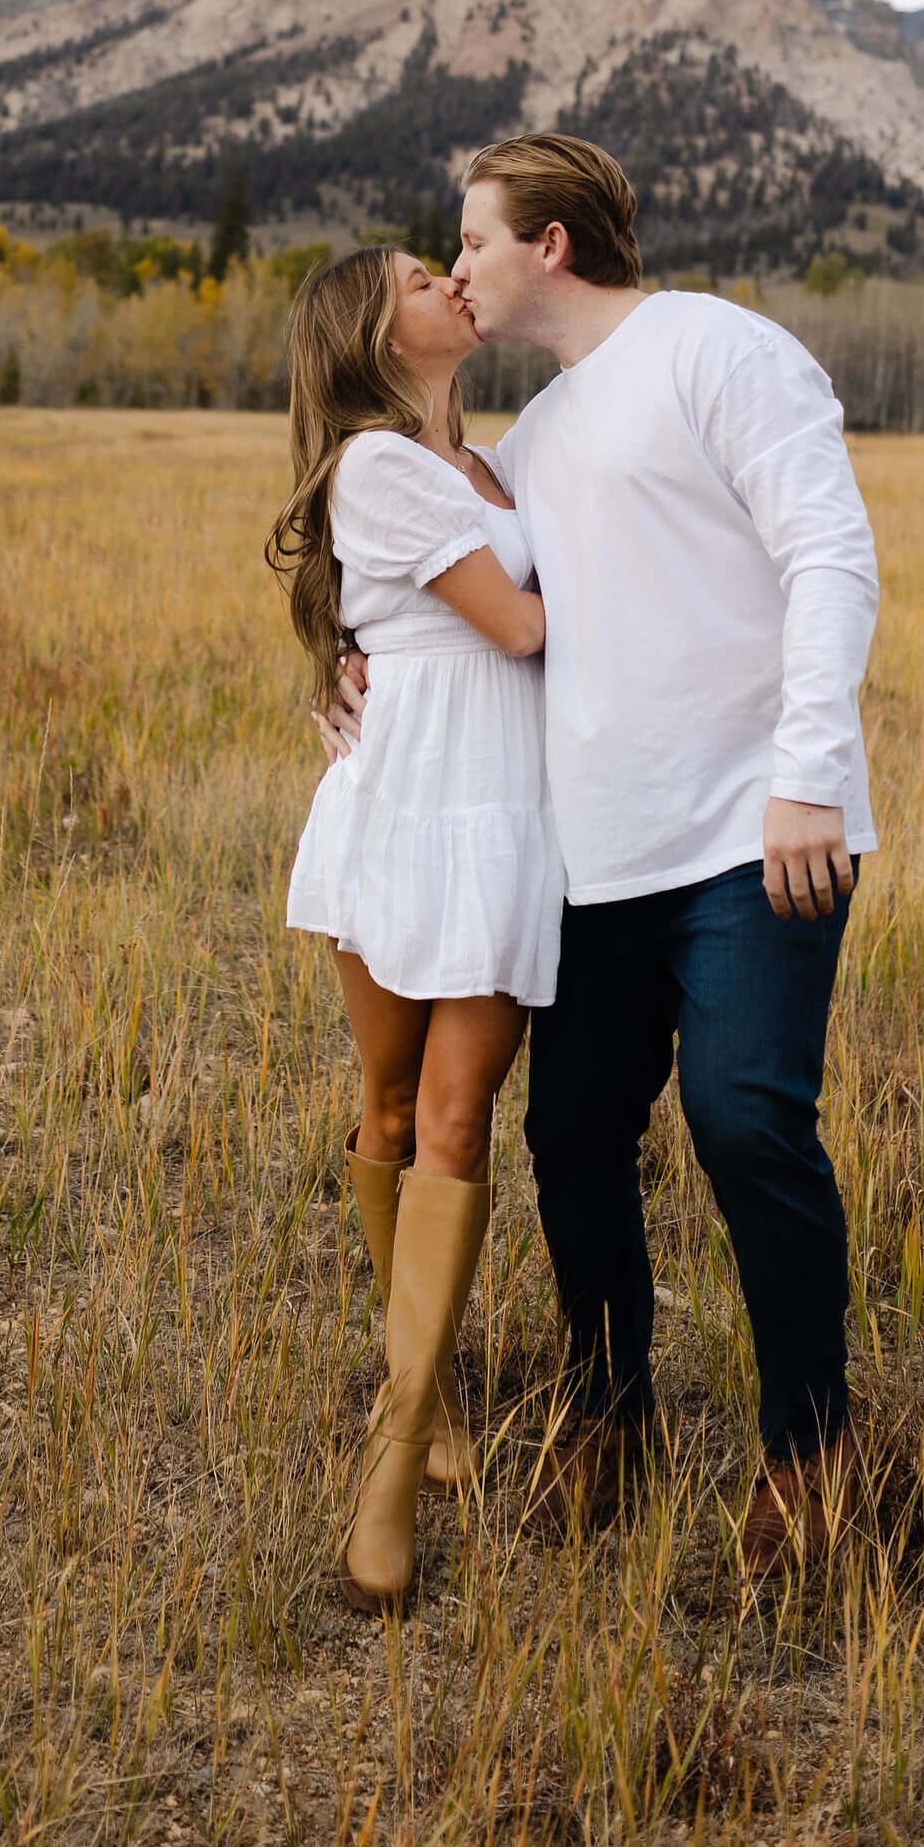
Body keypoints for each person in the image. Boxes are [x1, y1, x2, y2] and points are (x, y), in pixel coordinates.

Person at [324, 135, 878, 1573]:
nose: (457, 265)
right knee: (570, 1139)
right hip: (595, 859)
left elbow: (830, 550)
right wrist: (344, 652)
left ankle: (808, 1452)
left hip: (757, 832)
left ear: (549, 246)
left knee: (749, 1121)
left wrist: (809, 776)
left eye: (473, 239)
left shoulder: (721, 351)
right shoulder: (537, 444)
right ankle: (610, 1411)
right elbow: (425, 567)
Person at [268, 245, 565, 1612]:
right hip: (401, 807)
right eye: (418, 278)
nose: (453, 280)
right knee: (386, 1107)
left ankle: (395, 1453)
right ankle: (428, 1395)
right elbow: (513, 627)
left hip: (506, 819)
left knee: (456, 1122)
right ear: (371, 335)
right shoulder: (380, 467)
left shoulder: (502, 464)